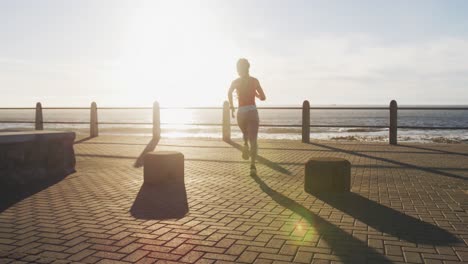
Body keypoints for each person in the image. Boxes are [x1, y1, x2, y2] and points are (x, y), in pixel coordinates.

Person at [228, 58, 266, 175]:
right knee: (253, 140)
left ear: (239, 69)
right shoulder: (255, 81)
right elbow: (263, 97)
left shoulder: (235, 82)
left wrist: (232, 107)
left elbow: (229, 92)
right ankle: (253, 167)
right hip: (252, 111)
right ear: (248, 67)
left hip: (241, 112)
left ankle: (245, 145)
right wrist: (256, 95)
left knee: (245, 133)